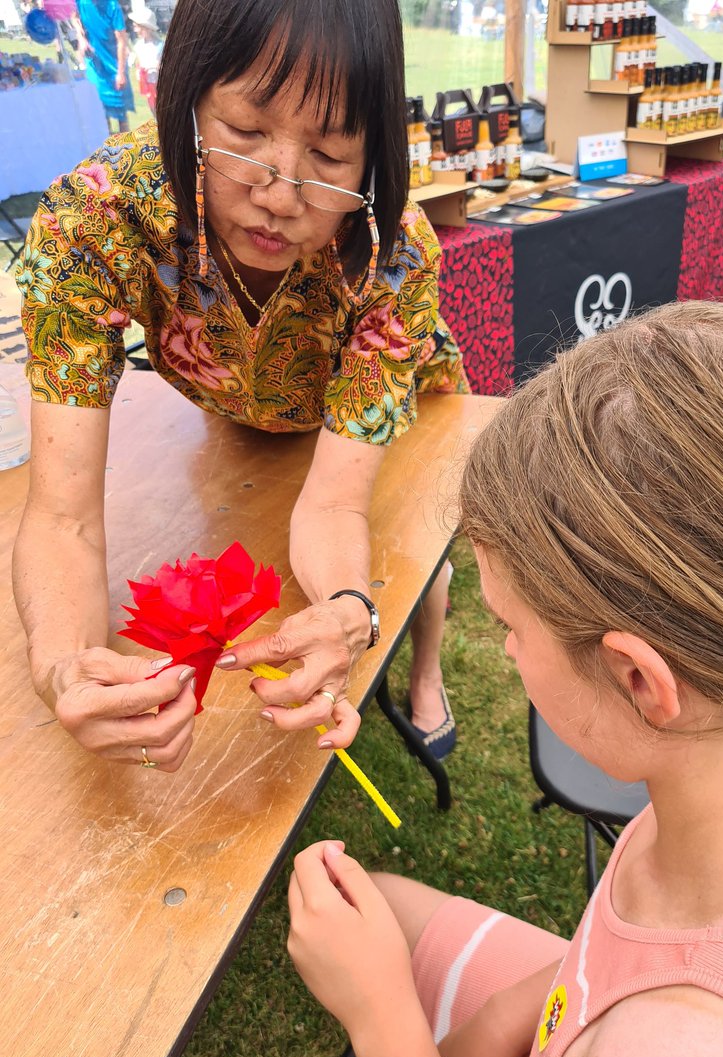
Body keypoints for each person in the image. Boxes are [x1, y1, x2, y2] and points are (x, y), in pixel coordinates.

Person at [249, 301, 723, 1057]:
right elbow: (599, 960)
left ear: (640, 680)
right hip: (590, 1040)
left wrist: (385, 1024)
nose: (505, 650)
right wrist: (507, 1028)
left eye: (511, 625)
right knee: (384, 904)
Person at [14, 0, 467, 773]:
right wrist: (63, 664)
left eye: (329, 155)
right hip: (239, 406)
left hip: (380, 409)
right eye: (247, 135)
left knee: (412, 551)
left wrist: (346, 608)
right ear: (185, 101)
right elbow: (62, 517)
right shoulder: (93, 224)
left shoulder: (393, 257)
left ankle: (424, 671)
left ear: (376, 156)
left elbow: (334, 502)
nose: (281, 195)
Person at [73, 0, 135, 133]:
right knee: (100, 111)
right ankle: (107, 148)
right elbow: (74, 16)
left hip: (114, 64)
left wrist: (121, 73)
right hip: (95, 64)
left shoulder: (112, 6)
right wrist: (81, 37)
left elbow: (121, 41)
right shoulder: (81, 2)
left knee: (121, 114)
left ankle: (127, 149)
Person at [128, 4, 162, 115]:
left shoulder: (159, 46)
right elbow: (136, 61)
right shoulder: (139, 46)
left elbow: (162, 65)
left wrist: (153, 66)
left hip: (159, 84)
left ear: (145, 28)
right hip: (148, 83)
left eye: (137, 26)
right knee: (153, 110)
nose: (135, 29)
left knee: (162, 109)